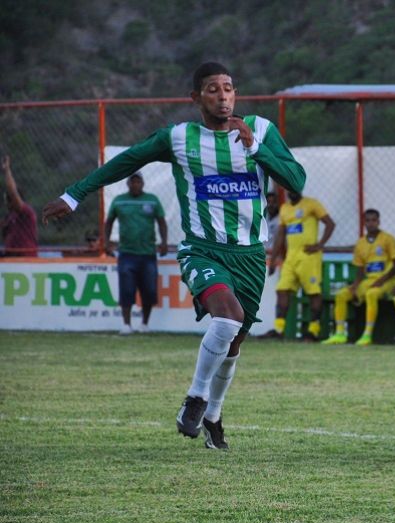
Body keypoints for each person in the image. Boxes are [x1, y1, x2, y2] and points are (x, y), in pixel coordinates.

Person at [42, 62, 306, 450]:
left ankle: (213, 415)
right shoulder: (179, 137)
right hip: (202, 248)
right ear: (196, 97)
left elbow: (296, 181)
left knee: (233, 343)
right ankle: (196, 397)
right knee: (227, 317)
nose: (223, 95)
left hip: (250, 253)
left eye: (229, 87)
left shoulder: (261, 130)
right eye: (213, 89)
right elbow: (127, 160)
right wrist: (74, 194)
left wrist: (254, 147)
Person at [322, 208, 395, 346]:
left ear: (378, 221)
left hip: (388, 281)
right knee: (341, 295)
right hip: (369, 281)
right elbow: (360, 269)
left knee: (371, 293)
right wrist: (355, 285)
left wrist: (381, 281)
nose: (371, 223)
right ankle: (340, 334)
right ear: (364, 222)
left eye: (374, 220)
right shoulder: (360, 243)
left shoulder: (388, 239)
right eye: (368, 220)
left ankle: (367, 335)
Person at [263, 191, 335, 341]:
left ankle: (313, 332)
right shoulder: (285, 208)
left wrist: (319, 245)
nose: (292, 191)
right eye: (289, 188)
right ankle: (279, 330)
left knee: (313, 293)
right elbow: (280, 235)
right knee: (282, 290)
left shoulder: (312, 203)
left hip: (308, 257)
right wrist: (274, 259)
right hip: (291, 257)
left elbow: (330, 223)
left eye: (295, 187)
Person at [104, 173, 168, 335]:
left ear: (143, 184)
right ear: (128, 184)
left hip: (148, 254)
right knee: (126, 289)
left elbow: (161, 221)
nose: (135, 184)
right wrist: (106, 242)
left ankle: (144, 324)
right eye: (133, 182)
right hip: (126, 253)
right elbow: (109, 221)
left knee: (149, 290)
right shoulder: (119, 201)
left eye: (138, 181)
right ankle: (126, 324)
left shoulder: (152, 200)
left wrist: (164, 242)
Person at [2, 155, 38, 257]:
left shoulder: (26, 212)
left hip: (25, 257)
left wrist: (7, 171)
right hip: (10, 256)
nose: (6, 204)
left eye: (9, 200)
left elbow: (12, 192)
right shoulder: (10, 216)